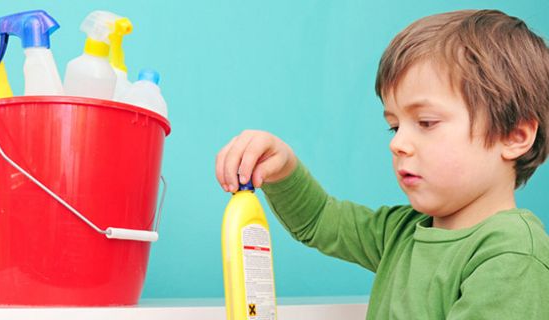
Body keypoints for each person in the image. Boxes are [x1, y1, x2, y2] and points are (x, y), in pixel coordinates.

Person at [215, 9, 549, 319]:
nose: (397, 143)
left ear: (514, 135)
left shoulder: (512, 257)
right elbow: (319, 221)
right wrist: (284, 169)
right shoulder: (401, 232)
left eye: (427, 122)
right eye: (394, 125)